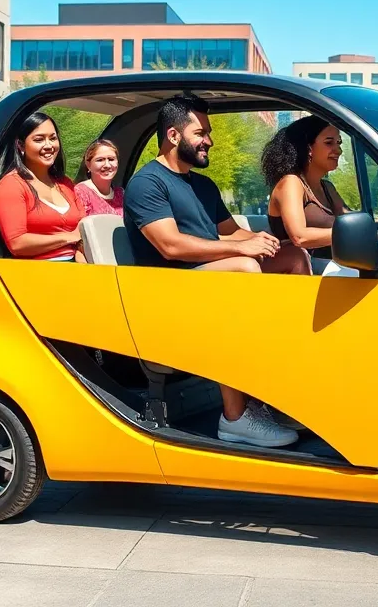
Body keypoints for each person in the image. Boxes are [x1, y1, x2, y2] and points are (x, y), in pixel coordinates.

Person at [124, 95, 305, 448]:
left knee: (294, 257)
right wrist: (241, 249)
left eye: (208, 132)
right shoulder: (147, 183)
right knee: (242, 268)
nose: (209, 140)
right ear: (173, 135)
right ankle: (234, 418)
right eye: (201, 133)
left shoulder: (203, 185)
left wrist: (263, 240)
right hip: (169, 291)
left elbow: (231, 232)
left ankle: (285, 385)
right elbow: (170, 246)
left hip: (208, 281)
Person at [260, 115, 378, 275]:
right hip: (302, 273)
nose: (339, 150)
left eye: (339, 143)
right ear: (308, 148)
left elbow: (352, 222)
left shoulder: (327, 188)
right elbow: (300, 237)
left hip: (331, 268)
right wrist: (368, 231)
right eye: (329, 143)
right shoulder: (291, 183)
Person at [0, 112, 86, 261]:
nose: (49, 145)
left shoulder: (65, 183)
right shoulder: (12, 184)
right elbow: (17, 243)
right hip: (40, 269)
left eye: (53, 138)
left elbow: (84, 225)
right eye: (39, 139)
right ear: (21, 145)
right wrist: (68, 237)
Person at [74, 139, 125, 217]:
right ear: (88, 165)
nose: (107, 165)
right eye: (100, 160)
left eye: (111, 159)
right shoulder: (81, 193)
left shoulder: (120, 194)